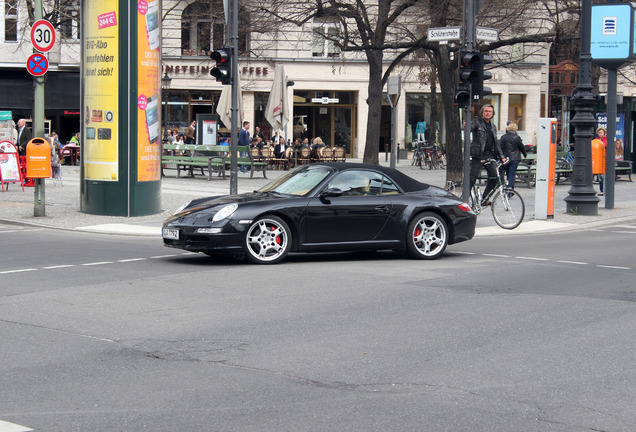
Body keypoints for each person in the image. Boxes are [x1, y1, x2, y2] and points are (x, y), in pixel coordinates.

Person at [469, 104, 506, 205]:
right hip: (478, 155)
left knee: (495, 178)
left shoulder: (493, 126)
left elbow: (496, 143)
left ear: (492, 114)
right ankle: (464, 200)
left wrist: (502, 157)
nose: (488, 113)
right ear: (482, 112)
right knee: (472, 179)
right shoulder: (477, 122)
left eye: (490, 111)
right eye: (486, 111)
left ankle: (484, 199)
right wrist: (466, 125)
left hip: (489, 156)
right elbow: (469, 128)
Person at [499, 122, 527, 189]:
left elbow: (500, 147)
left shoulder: (503, 137)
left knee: (508, 173)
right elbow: (521, 147)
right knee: (512, 174)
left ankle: (509, 188)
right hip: (515, 158)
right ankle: (510, 189)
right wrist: (524, 154)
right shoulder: (516, 137)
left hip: (505, 158)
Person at [595, 127, 607, 196]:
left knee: (603, 176)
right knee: (600, 176)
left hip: (604, 159)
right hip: (598, 159)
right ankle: (601, 190)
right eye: (599, 133)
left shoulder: (605, 139)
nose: (600, 134)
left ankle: (605, 189)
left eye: (601, 133)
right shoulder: (596, 140)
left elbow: (604, 145)